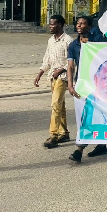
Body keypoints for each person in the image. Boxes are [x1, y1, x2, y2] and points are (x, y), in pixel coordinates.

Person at [67, 16, 107, 163]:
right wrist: (70, 85)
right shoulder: (73, 45)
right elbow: (71, 66)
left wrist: (90, 44)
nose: (79, 25)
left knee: (92, 115)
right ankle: (101, 145)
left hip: (97, 85)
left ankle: (79, 150)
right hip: (82, 85)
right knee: (85, 115)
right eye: (77, 23)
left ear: (89, 27)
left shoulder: (97, 39)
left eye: (83, 23)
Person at [34, 15, 73, 149]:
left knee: (55, 104)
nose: (51, 26)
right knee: (60, 106)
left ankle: (53, 135)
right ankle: (64, 132)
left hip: (63, 77)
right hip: (52, 76)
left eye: (53, 24)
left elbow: (73, 62)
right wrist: (40, 72)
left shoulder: (68, 41)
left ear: (61, 25)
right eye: (50, 24)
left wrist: (61, 70)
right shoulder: (51, 40)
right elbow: (47, 59)